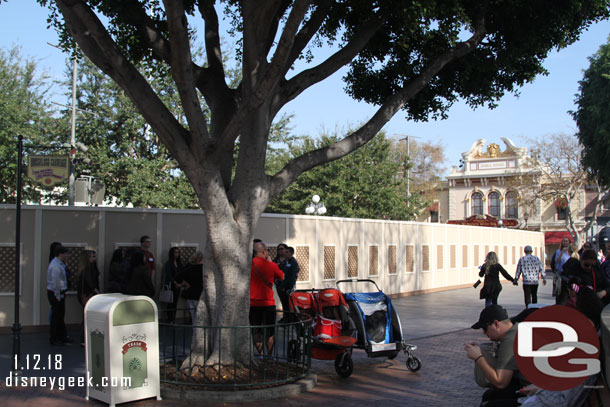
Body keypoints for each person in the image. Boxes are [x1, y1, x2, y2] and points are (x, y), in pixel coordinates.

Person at [465, 305, 529, 406]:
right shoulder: (516, 330)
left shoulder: (511, 340)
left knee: (489, 404)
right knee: (490, 395)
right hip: (534, 388)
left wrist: (478, 357)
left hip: (541, 393)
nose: (484, 333)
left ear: (496, 324)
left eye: (485, 328)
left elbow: (501, 382)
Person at [250, 241, 284, 356]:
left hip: (253, 304)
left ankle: (260, 354)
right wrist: (270, 263)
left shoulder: (248, 265)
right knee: (270, 333)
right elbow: (282, 276)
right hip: (268, 304)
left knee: (256, 331)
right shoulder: (272, 265)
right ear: (265, 252)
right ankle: (269, 356)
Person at [47, 245, 72, 346]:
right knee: (57, 316)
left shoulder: (59, 263)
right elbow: (56, 283)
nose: (67, 255)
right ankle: (55, 337)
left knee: (59, 316)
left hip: (57, 293)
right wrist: (58, 295)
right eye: (66, 253)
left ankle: (59, 336)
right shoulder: (56, 266)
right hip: (56, 293)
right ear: (61, 254)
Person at [77, 250, 100, 346]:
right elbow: (91, 283)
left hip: (86, 295)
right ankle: (84, 339)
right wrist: (96, 291)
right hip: (88, 294)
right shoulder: (87, 269)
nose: (94, 258)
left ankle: (85, 338)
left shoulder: (88, 268)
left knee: (87, 317)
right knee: (87, 317)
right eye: (92, 256)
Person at [175, 251, 204, 324]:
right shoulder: (204, 269)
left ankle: (195, 333)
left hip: (191, 295)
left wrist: (185, 283)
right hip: (202, 295)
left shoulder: (189, 269)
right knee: (202, 318)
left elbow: (178, 277)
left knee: (194, 317)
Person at [277, 246, 300, 323]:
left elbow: (291, 277)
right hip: (282, 286)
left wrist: (286, 287)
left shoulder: (293, 262)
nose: (285, 254)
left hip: (288, 287)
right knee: (284, 304)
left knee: (288, 304)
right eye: (285, 252)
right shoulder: (287, 261)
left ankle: (289, 319)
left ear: (292, 253)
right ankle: (286, 318)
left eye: (287, 252)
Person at [163, 247, 184, 322]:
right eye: (175, 252)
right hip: (171, 285)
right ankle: (170, 319)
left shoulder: (179, 263)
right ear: (172, 253)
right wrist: (175, 282)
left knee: (175, 303)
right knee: (170, 303)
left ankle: (173, 318)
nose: (177, 254)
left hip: (178, 286)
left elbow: (182, 273)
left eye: (178, 252)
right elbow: (168, 275)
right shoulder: (168, 263)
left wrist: (180, 284)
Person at [551, 237, 571, 304]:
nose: (565, 242)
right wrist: (562, 252)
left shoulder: (571, 252)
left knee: (567, 292)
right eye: (564, 241)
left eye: (566, 241)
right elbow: (556, 261)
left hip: (568, 274)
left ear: (569, 242)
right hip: (560, 273)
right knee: (559, 291)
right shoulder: (558, 251)